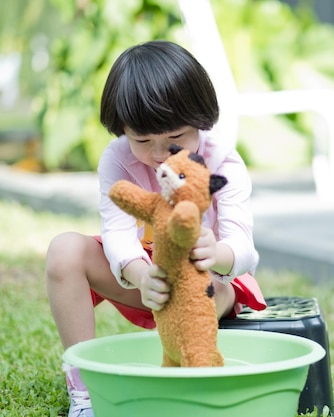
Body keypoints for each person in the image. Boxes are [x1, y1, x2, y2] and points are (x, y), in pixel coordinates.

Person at [45, 40, 266, 417]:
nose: (159, 154)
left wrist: (218, 253)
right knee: (64, 250)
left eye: (175, 140)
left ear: (201, 119)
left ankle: (191, 379)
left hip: (209, 287)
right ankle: (84, 392)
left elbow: (244, 248)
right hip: (147, 277)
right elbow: (115, 232)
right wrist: (141, 274)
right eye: (142, 140)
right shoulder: (117, 159)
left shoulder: (223, 160)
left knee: (211, 287)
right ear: (124, 131)